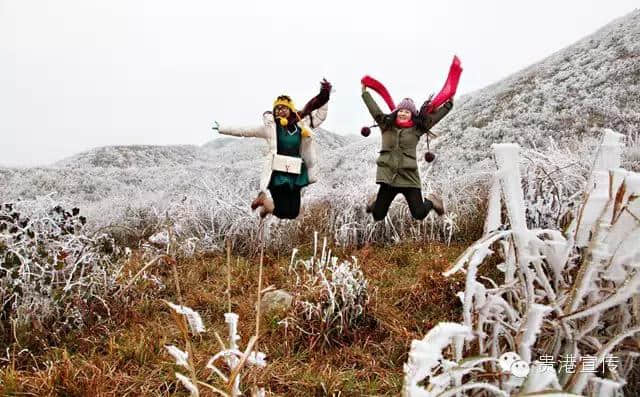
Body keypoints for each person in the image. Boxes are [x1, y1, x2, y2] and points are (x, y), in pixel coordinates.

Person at [212, 79, 331, 219]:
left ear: (290, 109)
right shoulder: (271, 128)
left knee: (293, 213)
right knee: (281, 211)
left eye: (284, 108)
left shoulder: (301, 126)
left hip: (296, 172)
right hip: (278, 173)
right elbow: (245, 130)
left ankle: (267, 206)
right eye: (278, 109)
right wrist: (222, 128)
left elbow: (320, 116)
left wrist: (325, 97)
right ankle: (264, 201)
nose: (280, 111)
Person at [362, 84, 453, 221]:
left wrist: (449, 104)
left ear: (412, 115)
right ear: (396, 112)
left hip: (409, 176)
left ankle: (432, 200)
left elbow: (434, 118)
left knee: (419, 213)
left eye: (407, 111)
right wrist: (365, 93)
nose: (403, 113)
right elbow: (374, 110)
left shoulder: (417, 129)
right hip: (389, 178)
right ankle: (376, 202)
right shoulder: (386, 125)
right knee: (378, 215)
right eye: (401, 110)